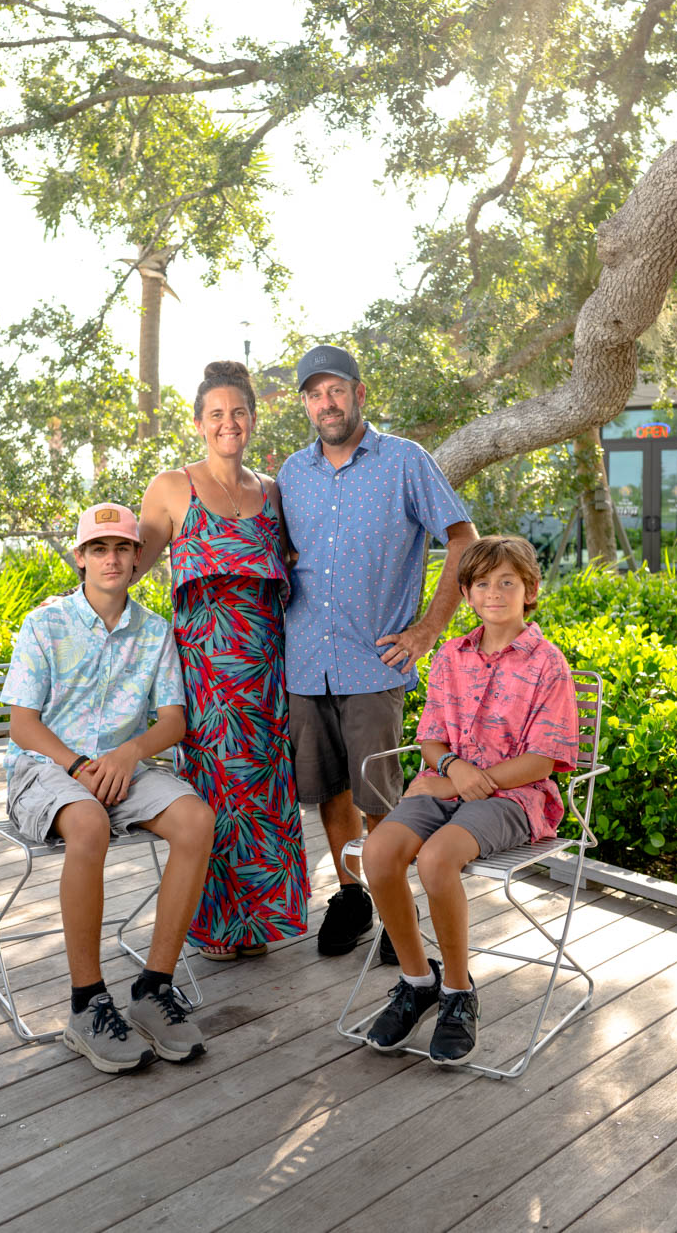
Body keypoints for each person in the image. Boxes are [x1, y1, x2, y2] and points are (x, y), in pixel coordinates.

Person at [277, 343, 477, 958]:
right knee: (331, 791)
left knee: (382, 795)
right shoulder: (292, 473)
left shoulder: (405, 461)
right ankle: (353, 897)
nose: (326, 403)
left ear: (360, 395)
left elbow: (463, 538)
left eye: (336, 390)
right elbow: (282, 555)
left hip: (374, 663)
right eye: (315, 394)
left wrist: (426, 631)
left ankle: (398, 912)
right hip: (306, 663)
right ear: (306, 404)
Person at [1, 502, 215, 1074]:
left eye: (122, 547)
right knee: (89, 822)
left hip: (124, 766)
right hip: (48, 767)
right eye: (99, 548)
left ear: (139, 556)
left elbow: (172, 720)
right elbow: (23, 724)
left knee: (197, 820)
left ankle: (153, 987)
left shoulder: (155, 632)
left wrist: (127, 753)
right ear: (80, 558)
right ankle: (87, 1003)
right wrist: (78, 768)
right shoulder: (45, 624)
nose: (112, 558)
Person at [362, 535, 580, 1064]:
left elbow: (544, 759)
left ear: (530, 590)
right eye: (481, 583)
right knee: (378, 853)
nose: (494, 593)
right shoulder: (452, 657)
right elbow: (432, 738)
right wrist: (451, 768)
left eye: (508, 582)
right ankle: (418, 981)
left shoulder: (548, 663)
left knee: (437, 860)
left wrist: (463, 780)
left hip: (515, 798)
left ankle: (459, 991)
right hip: (445, 783)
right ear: (465, 593)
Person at [137, 361, 309, 960]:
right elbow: (127, 569)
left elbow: (299, 572)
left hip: (268, 672)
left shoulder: (274, 493)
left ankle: (258, 922)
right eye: (217, 414)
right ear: (198, 423)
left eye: (238, 412)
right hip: (206, 678)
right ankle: (216, 926)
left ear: (254, 419)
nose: (228, 423)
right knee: (216, 796)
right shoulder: (170, 487)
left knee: (264, 794)